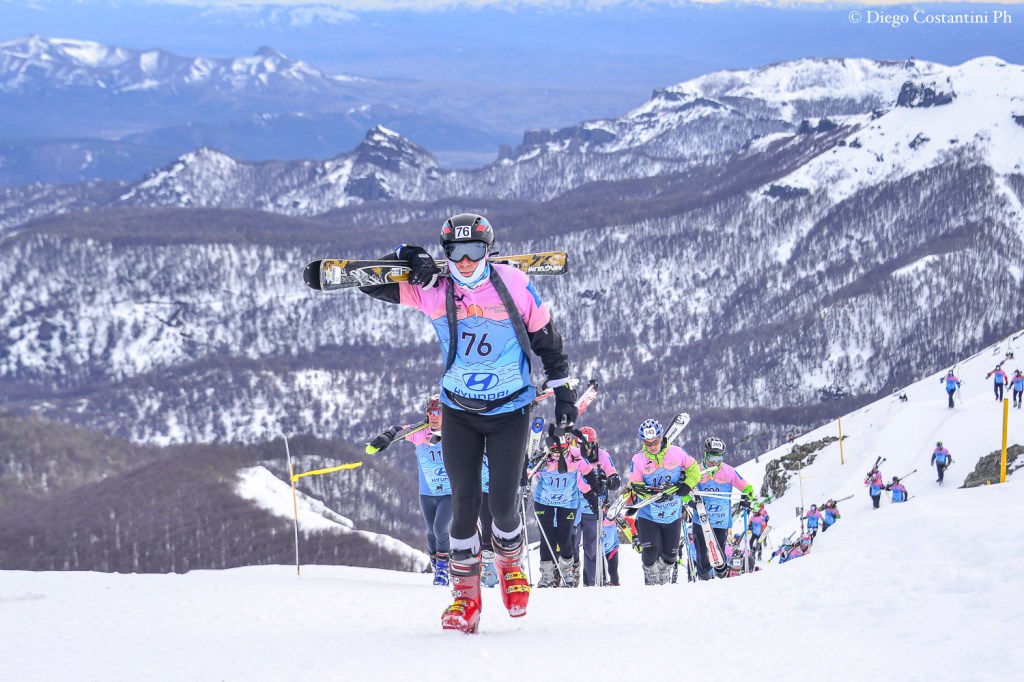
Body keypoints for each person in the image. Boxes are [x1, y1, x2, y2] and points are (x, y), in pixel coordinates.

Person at [359, 213, 577, 633]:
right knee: (463, 503)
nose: (463, 261)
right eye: (454, 252)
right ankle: (465, 598)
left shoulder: (512, 283)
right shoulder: (433, 289)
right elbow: (370, 282)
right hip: (458, 410)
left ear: (488, 250)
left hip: (510, 410)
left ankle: (511, 569)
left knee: (501, 502)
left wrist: (564, 392)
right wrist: (407, 257)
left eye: (473, 251)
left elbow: (546, 339)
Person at [369, 394, 453, 586]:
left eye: (438, 413)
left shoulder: (454, 432)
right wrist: (385, 438)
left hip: (449, 492)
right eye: (431, 412)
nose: (434, 417)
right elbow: (397, 430)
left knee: (440, 528)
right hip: (427, 493)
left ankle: (442, 569)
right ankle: (435, 561)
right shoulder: (419, 432)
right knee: (431, 532)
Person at [627, 418, 701, 585]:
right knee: (650, 550)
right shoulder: (638, 459)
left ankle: (663, 571)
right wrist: (655, 494)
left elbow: (694, 469)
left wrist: (686, 486)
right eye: (648, 443)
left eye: (655, 442)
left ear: (661, 438)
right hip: (649, 515)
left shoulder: (677, 452)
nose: (652, 447)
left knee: (670, 555)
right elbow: (636, 485)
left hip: (672, 514)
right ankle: (651, 576)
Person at [532, 433, 600, 588]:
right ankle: (547, 575)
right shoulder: (542, 457)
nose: (557, 454)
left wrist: (596, 487)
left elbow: (588, 473)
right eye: (554, 450)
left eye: (562, 450)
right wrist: (526, 469)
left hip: (567, 502)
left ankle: (567, 571)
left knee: (565, 538)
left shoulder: (576, 455)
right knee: (547, 538)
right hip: (544, 501)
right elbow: (527, 471)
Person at [692, 436, 756, 580]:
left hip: (721, 521)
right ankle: (705, 584)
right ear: (706, 454)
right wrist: (690, 502)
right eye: (712, 456)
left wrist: (746, 498)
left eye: (719, 456)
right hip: (701, 521)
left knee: (719, 558)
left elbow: (748, 488)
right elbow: (684, 491)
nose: (715, 461)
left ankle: (721, 579)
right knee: (702, 558)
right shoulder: (696, 470)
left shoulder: (729, 471)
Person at [574, 426, 621, 587]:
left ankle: (591, 582)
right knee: (571, 544)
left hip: (594, 509)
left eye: (589, 446)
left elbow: (614, 478)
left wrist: (607, 481)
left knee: (592, 547)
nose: (585, 451)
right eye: (582, 447)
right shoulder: (574, 455)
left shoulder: (602, 456)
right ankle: (571, 577)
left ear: (595, 444)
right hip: (575, 506)